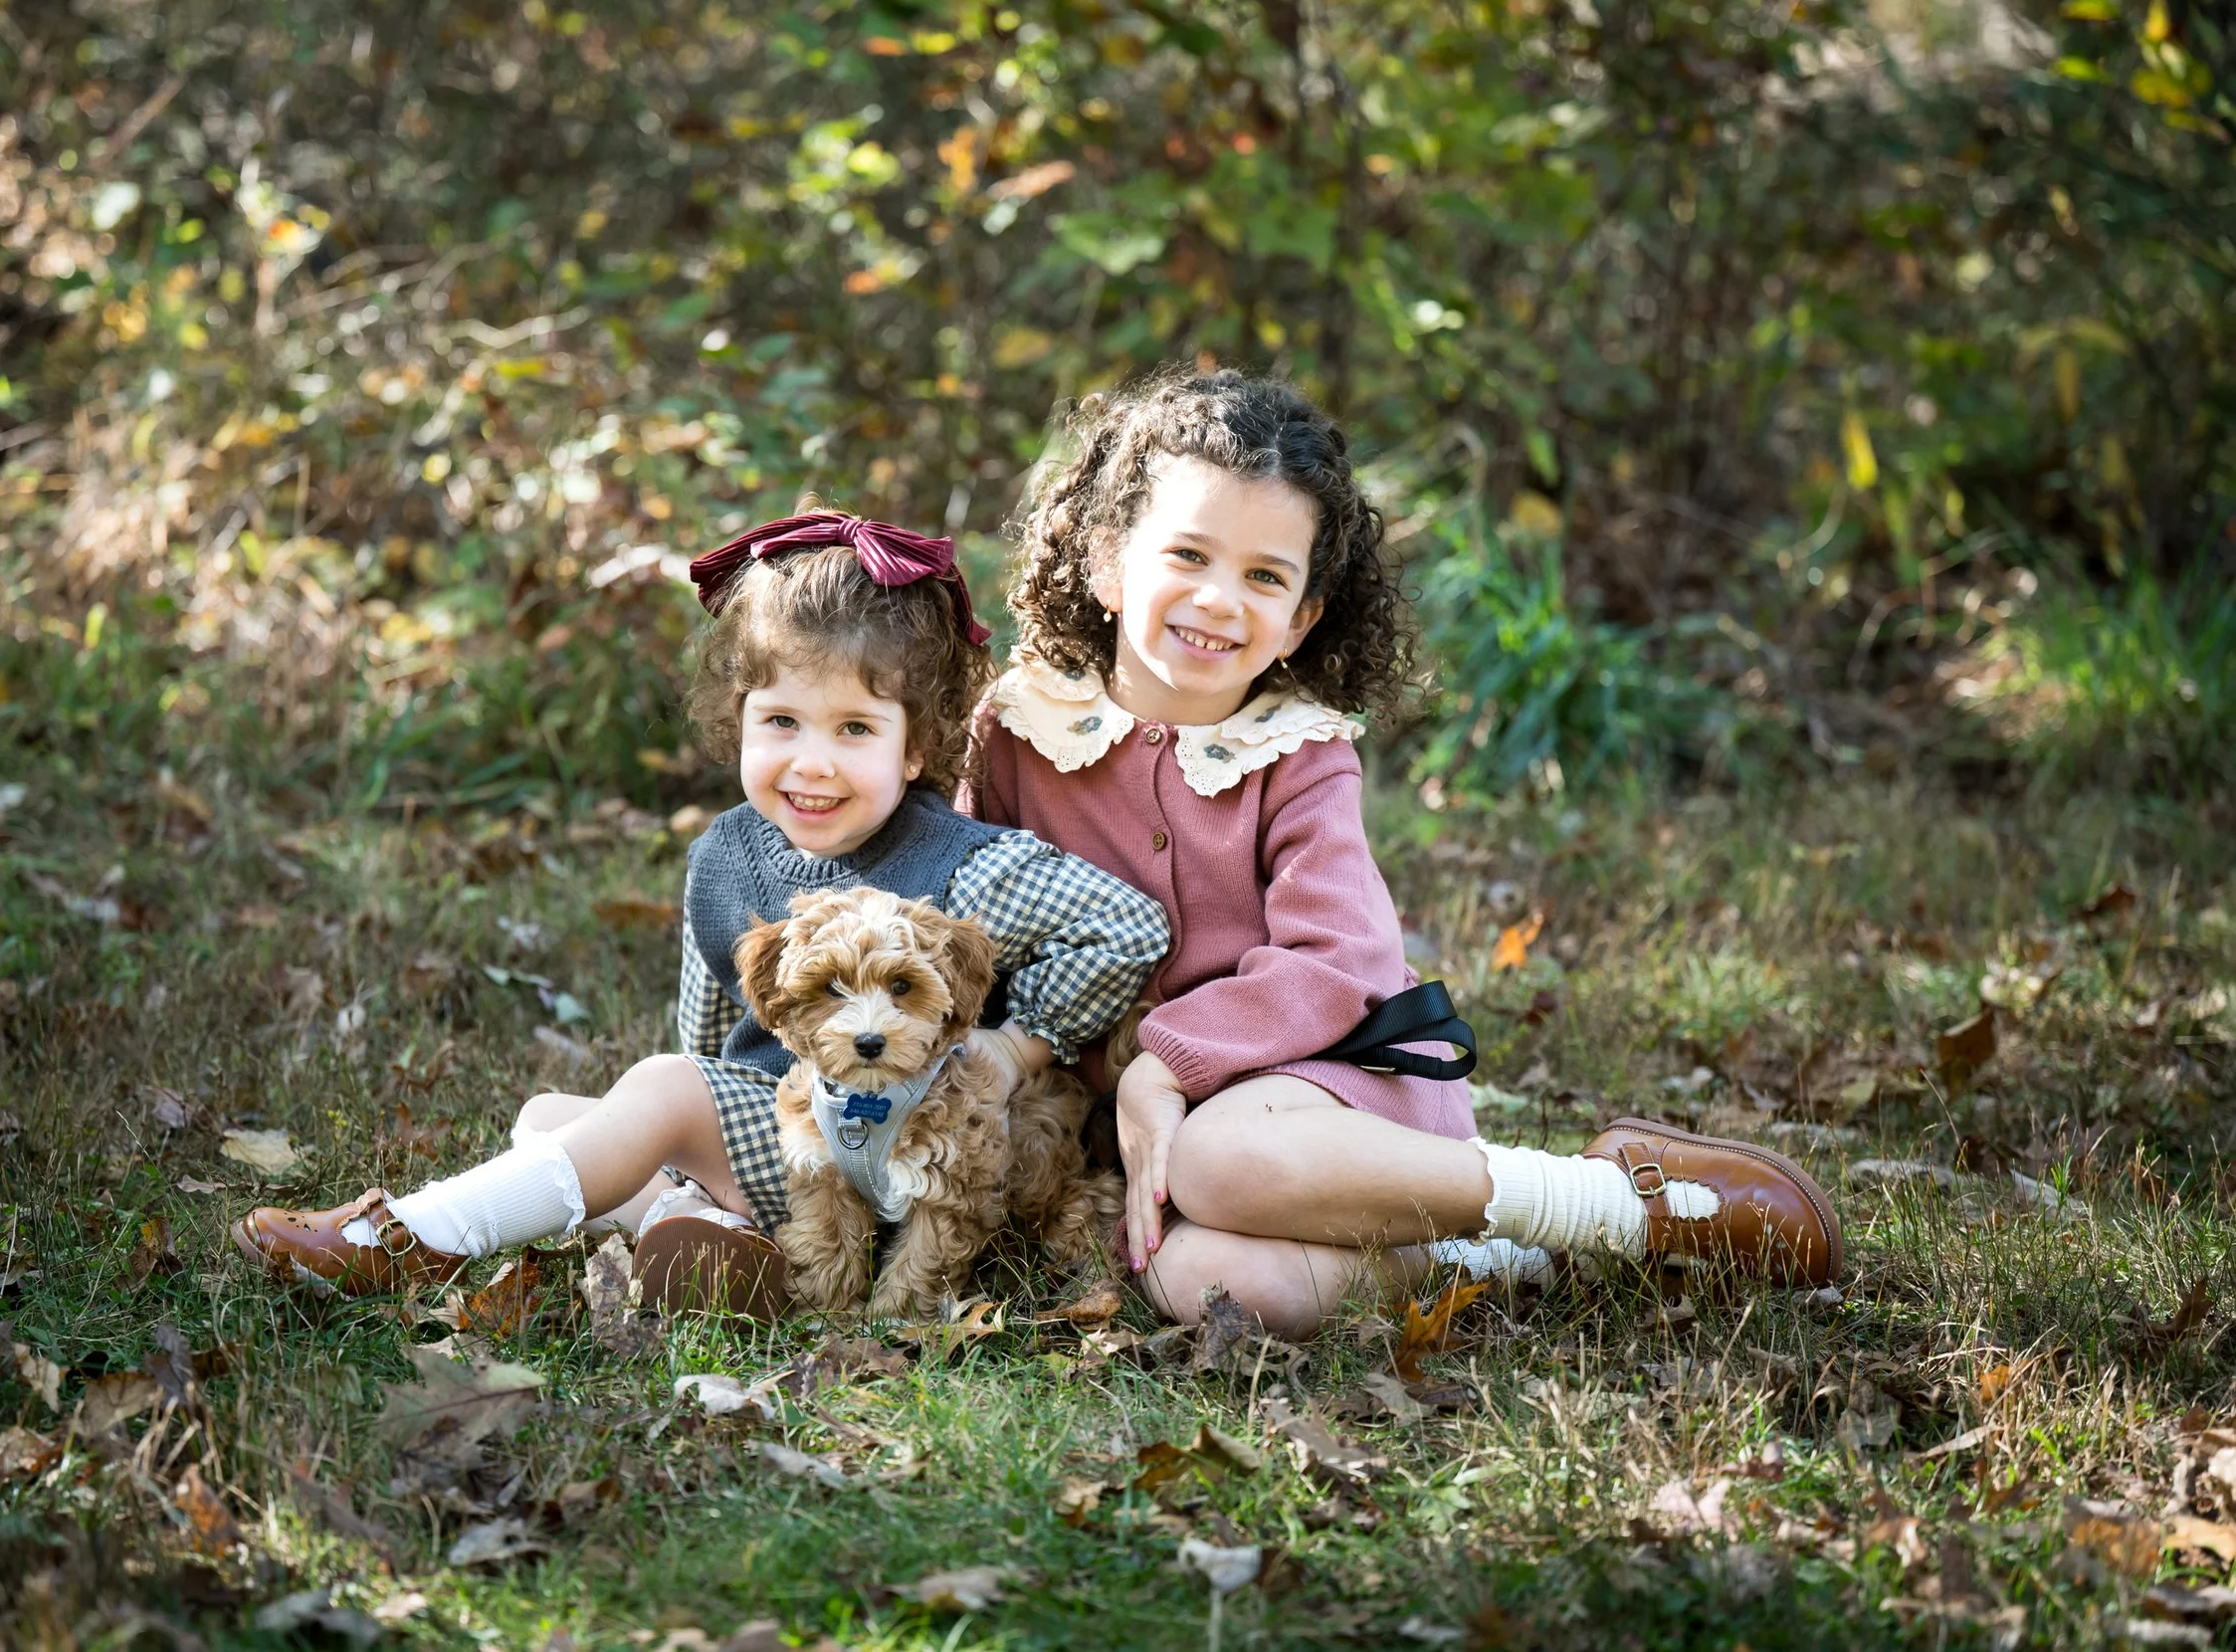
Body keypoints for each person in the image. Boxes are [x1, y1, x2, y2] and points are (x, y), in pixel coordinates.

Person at [966, 367, 1841, 1339]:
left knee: (1219, 1160)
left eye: (1264, 575)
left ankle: (1607, 1199)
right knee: (1201, 1284)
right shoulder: (1021, 731)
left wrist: (1164, 1063)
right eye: (1188, 554)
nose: (1220, 599)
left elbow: (1339, 962)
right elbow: (961, 917)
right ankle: (1488, 1255)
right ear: (1104, 560)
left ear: (1302, 615)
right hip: (1152, 1130)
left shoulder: (1298, 754)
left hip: (1328, 1082)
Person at [231, 516, 1169, 1315]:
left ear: (918, 746)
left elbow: (1130, 928)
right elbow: (710, 1034)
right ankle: (720, 1235)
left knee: (654, 1101)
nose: (813, 762)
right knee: (550, 1114)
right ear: (738, 719)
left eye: (855, 729)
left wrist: (1019, 1045)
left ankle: (410, 1236)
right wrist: (679, 1121)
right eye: (782, 723)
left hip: (914, 1148)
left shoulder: (963, 865)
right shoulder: (724, 856)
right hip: (798, 1139)